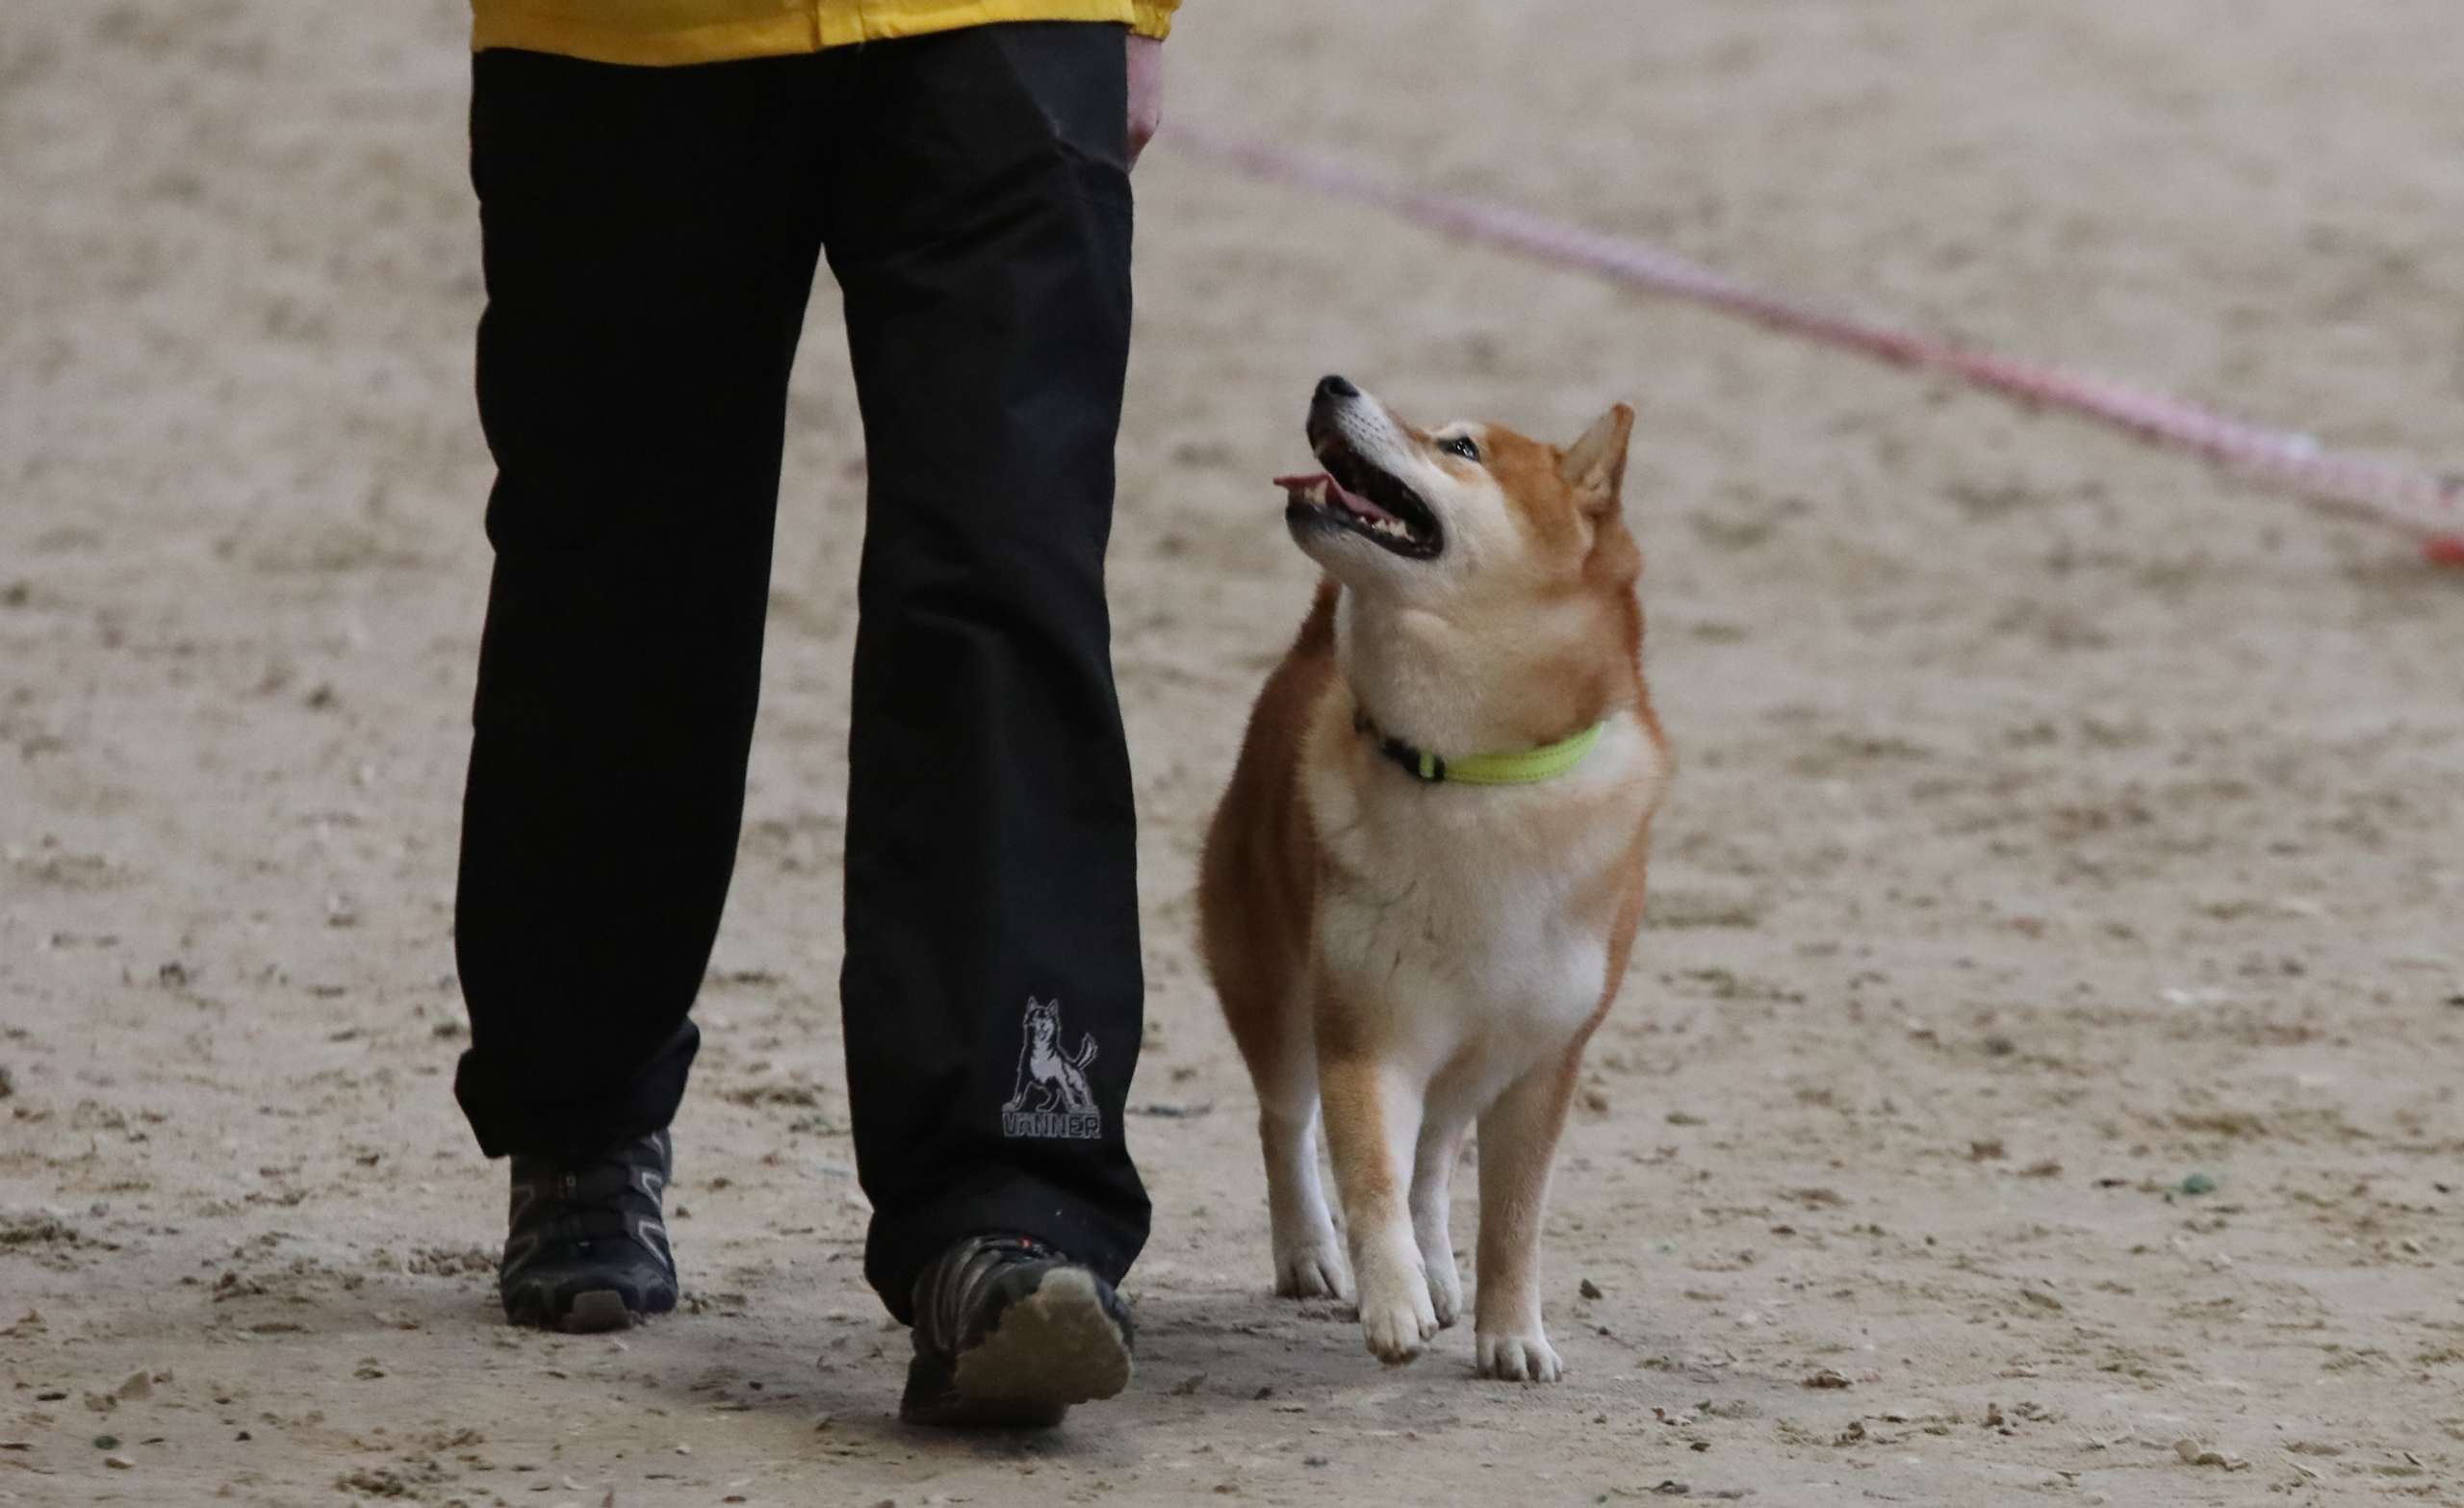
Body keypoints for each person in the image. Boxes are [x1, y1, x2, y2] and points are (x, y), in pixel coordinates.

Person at [445, 0, 1174, 1427]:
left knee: (1004, 570)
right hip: (619, 40)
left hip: (1005, 20)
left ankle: (1011, 1203)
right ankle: (582, 1111)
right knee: (617, 575)